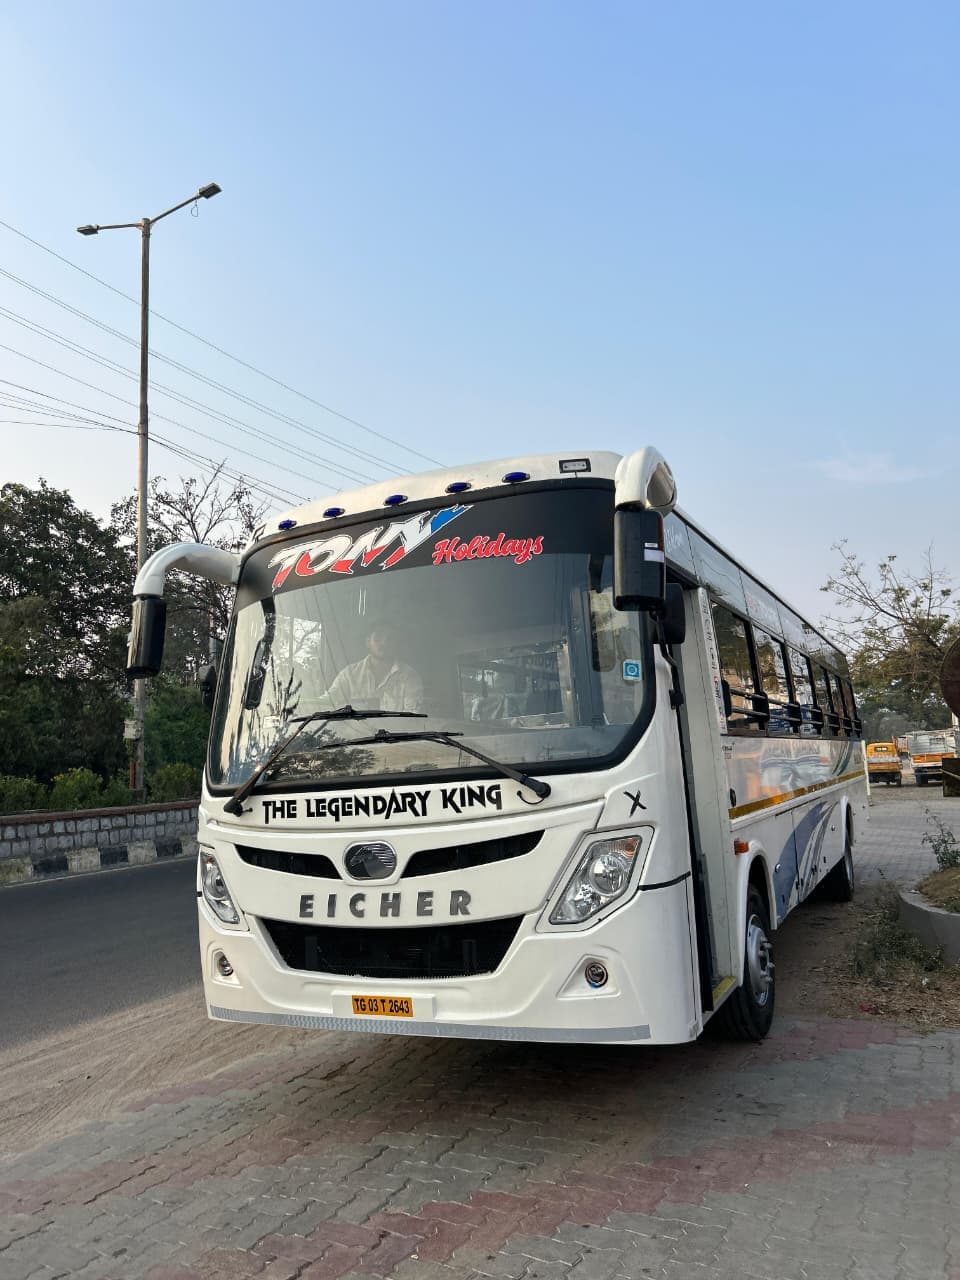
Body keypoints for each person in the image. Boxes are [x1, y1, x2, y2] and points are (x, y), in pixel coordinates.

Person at [324, 621, 424, 713]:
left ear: (396, 644)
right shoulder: (349, 675)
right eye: (378, 637)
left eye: (390, 638)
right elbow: (326, 703)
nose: (384, 642)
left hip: (397, 733)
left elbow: (413, 718)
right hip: (353, 732)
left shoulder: (410, 677)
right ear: (368, 642)